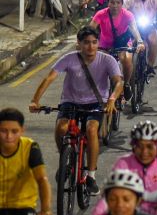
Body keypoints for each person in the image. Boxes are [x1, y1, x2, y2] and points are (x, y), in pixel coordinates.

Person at [30, 26, 123, 195]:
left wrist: (111, 99)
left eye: (94, 43)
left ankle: (91, 176)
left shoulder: (107, 60)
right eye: (86, 43)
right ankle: (65, 160)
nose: (91, 47)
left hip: (96, 102)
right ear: (79, 43)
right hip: (70, 101)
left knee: (91, 129)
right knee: (61, 128)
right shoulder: (69, 59)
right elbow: (49, 78)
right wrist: (35, 100)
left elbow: (118, 82)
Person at [0, 108, 52, 215]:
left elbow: (42, 180)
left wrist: (45, 209)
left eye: (14, 131)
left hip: (22, 207)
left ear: (22, 131)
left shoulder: (30, 148)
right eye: (3, 131)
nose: (8, 136)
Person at [89, 0, 145, 98]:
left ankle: (127, 84)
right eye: (112, 2)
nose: (115, 6)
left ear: (122, 3)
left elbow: (134, 29)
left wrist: (139, 41)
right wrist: (84, 43)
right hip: (105, 44)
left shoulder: (128, 15)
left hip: (123, 42)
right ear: (108, 3)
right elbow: (90, 30)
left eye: (118, 3)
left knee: (127, 60)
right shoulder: (100, 14)